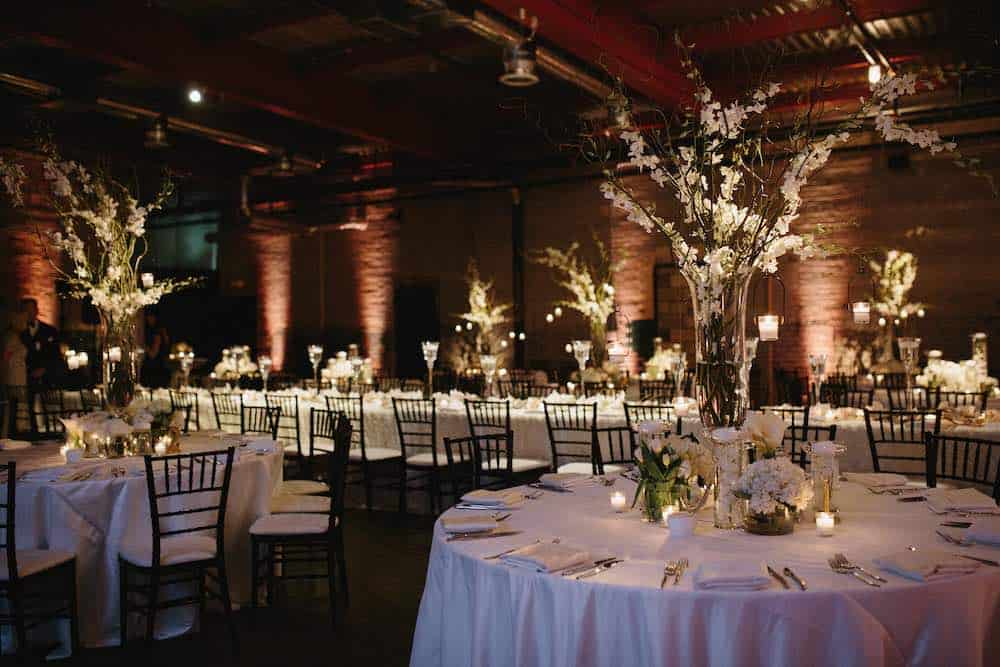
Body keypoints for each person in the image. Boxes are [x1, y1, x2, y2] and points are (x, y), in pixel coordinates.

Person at [20, 298, 62, 390]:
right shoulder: (20, 332)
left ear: (36, 310)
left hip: (46, 380)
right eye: (26, 310)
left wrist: (45, 369)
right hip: (24, 379)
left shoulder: (50, 330)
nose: (29, 313)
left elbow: (56, 355)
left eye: (31, 309)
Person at [140, 308, 171, 388]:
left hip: (154, 369)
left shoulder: (157, 334)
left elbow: (153, 354)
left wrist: (144, 347)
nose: (148, 319)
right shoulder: (163, 332)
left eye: (150, 317)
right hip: (162, 367)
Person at [1, 310, 28, 387]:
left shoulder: (16, 337)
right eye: (23, 320)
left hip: (18, 377)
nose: (25, 323)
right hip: (14, 378)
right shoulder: (11, 338)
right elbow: (6, 358)